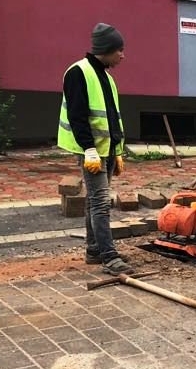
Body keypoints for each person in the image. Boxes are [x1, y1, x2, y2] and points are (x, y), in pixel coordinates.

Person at [57, 23, 133, 275]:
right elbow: (78, 116)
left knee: (94, 201)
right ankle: (109, 257)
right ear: (107, 49)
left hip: (107, 149)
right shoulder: (78, 72)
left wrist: (118, 151)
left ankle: (94, 250)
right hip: (92, 151)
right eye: (119, 50)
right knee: (101, 202)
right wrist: (88, 148)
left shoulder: (107, 78)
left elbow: (112, 118)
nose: (123, 55)